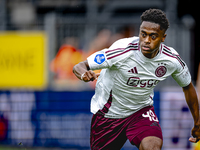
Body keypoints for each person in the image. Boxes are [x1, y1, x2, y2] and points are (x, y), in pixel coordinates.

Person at [73, 9, 200, 150]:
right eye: (143, 34)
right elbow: (80, 66)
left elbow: (188, 86)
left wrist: (197, 122)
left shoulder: (172, 60)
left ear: (163, 37)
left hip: (141, 111)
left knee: (152, 146)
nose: (146, 40)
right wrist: (84, 74)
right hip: (108, 114)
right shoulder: (121, 51)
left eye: (153, 36)